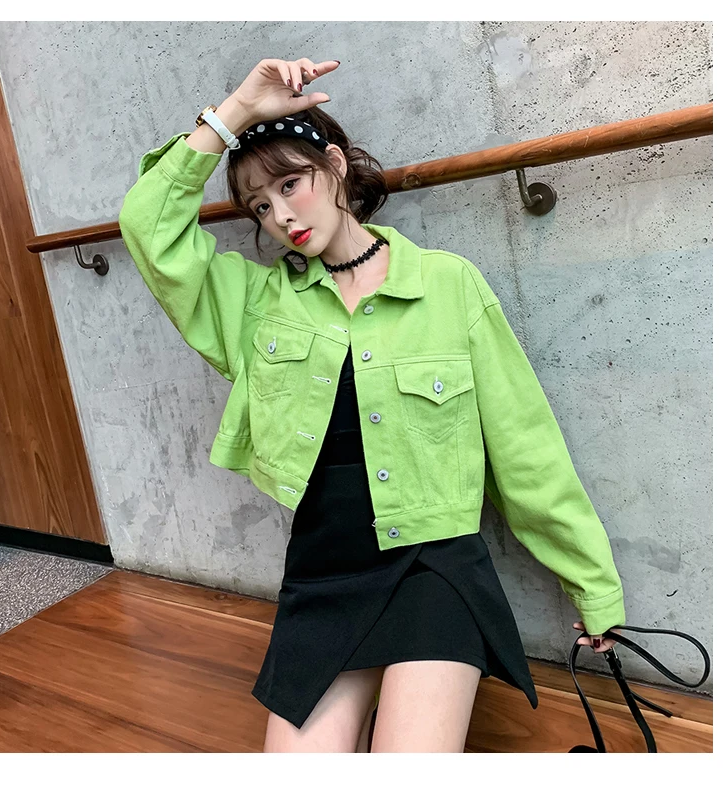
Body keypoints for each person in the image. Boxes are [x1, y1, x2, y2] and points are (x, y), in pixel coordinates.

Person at [118, 57, 625, 753]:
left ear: (335, 167)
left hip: (434, 566)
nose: (280, 215)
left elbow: (525, 448)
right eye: (259, 205)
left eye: (290, 185)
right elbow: (147, 225)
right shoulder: (254, 304)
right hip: (325, 570)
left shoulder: (447, 285)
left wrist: (594, 587)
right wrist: (235, 111)